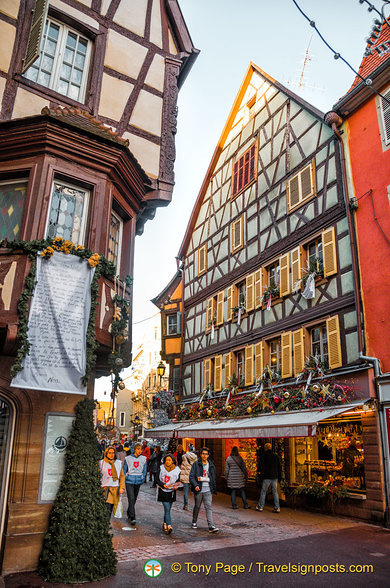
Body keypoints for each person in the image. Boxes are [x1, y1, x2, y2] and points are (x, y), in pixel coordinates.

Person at [189, 447, 219, 533]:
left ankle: (211, 526)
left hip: (208, 489)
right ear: (200, 455)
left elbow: (213, 476)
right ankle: (194, 521)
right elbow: (191, 476)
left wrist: (213, 485)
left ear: (208, 455)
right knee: (197, 506)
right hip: (199, 489)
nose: (204, 456)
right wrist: (195, 485)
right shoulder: (196, 464)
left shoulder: (211, 465)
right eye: (203, 454)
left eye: (206, 454)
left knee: (208, 507)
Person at [156, 454, 182, 534]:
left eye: (169, 460)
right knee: (167, 509)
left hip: (171, 492)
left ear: (173, 461)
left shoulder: (177, 470)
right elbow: (157, 479)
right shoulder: (161, 468)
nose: (168, 462)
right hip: (163, 491)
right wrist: (162, 485)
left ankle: (165, 523)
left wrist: (177, 487)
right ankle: (169, 525)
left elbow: (179, 481)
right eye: (166, 460)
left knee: (168, 509)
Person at [123, 442, 147, 525]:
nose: (140, 451)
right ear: (135, 449)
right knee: (131, 498)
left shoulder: (143, 459)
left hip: (138, 481)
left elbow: (144, 470)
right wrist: (123, 480)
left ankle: (129, 512)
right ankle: (133, 517)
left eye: (141, 449)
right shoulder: (128, 458)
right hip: (129, 480)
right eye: (138, 449)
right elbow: (124, 469)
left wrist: (142, 478)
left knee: (134, 499)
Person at [99, 446, 125, 517]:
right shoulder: (101, 463)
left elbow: (122, 476)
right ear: (106, 454)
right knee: (104, 509)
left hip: (114, 489)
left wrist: (122, 487)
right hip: (104, 489)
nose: (111, 455)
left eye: (113, 453)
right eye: (109, 453)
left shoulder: (118, 463)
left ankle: (106, 524)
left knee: (110, 510)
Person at [256, 443, 281, 513]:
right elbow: (279, 467)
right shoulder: (276, 456)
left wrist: (261, 476)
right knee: (275, 492)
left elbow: (262, 467)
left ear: (265, 448)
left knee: (263, 491)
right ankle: (277, 507)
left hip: (267, 477)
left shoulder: (264, 456)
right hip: (274, 476)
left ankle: (260, 506)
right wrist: (279, 476)